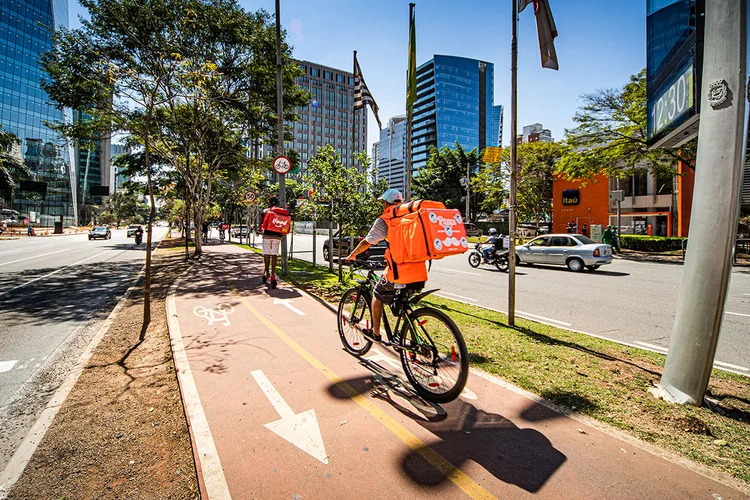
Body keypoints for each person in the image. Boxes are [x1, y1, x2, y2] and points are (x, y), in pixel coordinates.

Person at [344, 188, 425, 342]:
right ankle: (416, 343)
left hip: (399, 272)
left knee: (377, 293)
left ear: (385, 203)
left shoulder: (387, 219)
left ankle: (375, 334)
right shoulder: (411, 217)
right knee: (403, 304)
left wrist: (352, 255)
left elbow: (367, 241)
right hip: (419, 271)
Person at [260, 197, 283, 284]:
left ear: (269, 203)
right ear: (277, 203)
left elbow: (260, 223)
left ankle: (266, 272)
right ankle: (273, 274)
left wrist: (259, 229)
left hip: (267, 235)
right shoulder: (280, 211)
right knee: (274, 254)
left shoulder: (265, 211)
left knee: (266, 253)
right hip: (277, 235)